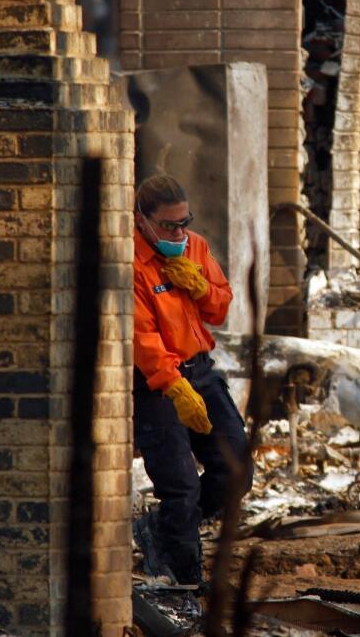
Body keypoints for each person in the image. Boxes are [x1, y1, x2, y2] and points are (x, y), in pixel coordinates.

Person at [131, 174, 252, 585]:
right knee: (180, 488)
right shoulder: (131, 263)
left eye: (185, 222)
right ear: (142, 220)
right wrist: (173, 385)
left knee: (235, 469)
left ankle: (162, 530)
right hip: (157, 383)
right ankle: (185, 583)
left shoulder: (195, 247)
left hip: (201, 369)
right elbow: (141, 337)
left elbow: (220, 307)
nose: (179, 232)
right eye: (169, 225)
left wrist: (201, 288)